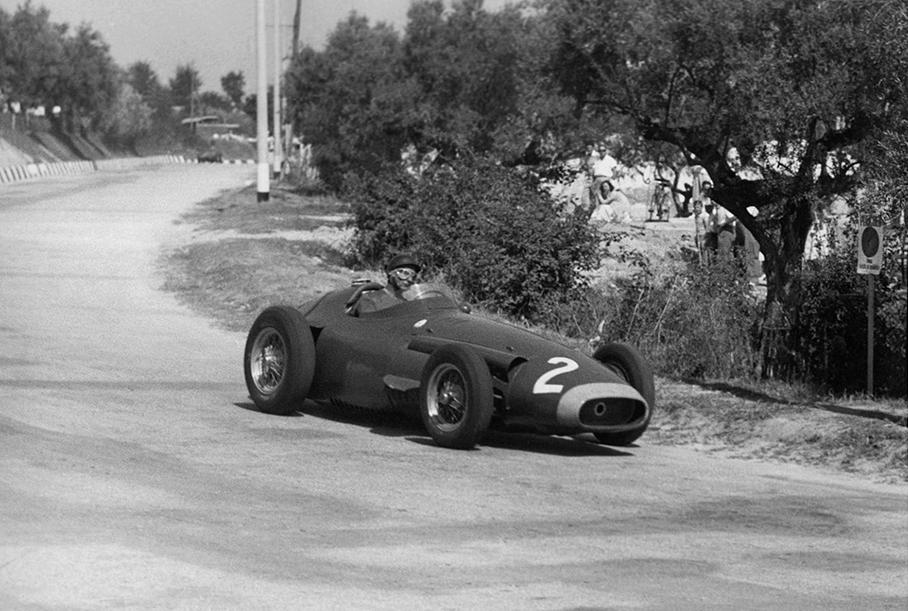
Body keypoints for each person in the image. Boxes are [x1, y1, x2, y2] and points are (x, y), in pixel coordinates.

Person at [355, 253, 421, 314]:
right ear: (391, 273)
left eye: (413, 276)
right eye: (405, 273)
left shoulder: (406, 304)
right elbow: (366, 325)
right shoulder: (370, 300)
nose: (410, 279)